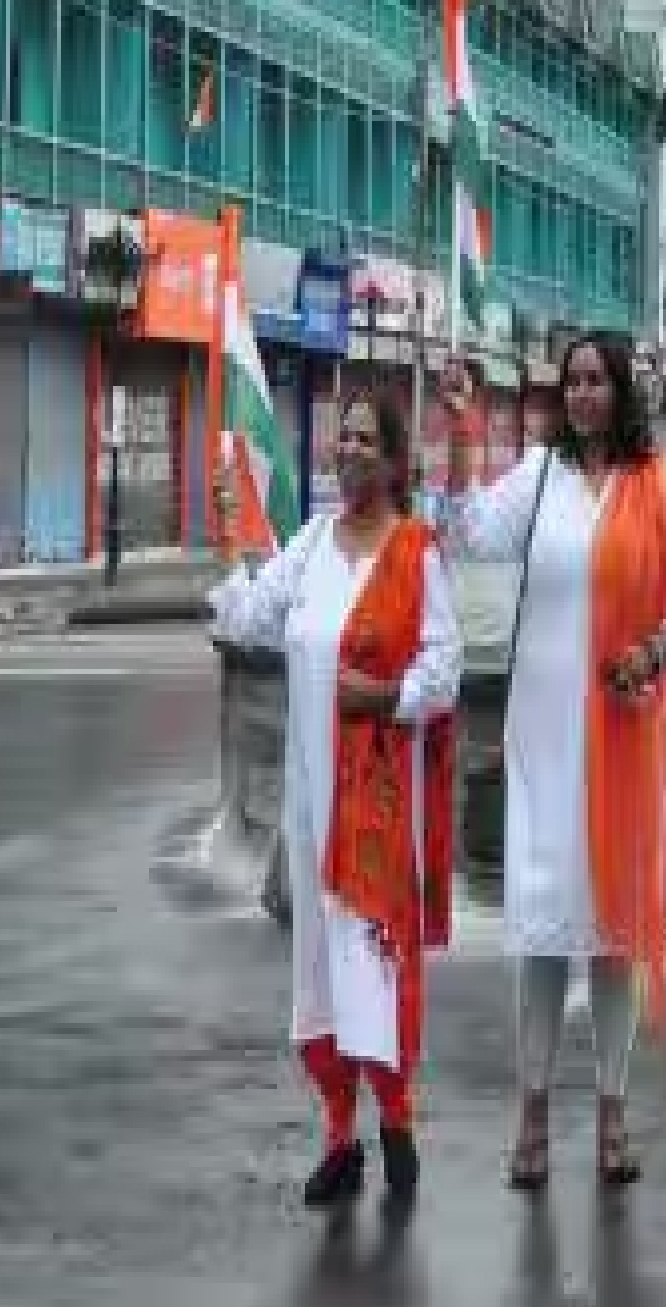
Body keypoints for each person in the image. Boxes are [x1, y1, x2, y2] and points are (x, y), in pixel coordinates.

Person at [438, 336, 666, 1192]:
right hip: (545, 744)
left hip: (625, 739)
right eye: (575, 382)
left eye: (599, 380)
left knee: (612, 940)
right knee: (544, 934)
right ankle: (530, 1118)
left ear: (622, 390)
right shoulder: (541, 478)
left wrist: (659, 648)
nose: (586, 394)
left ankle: (612, 1115)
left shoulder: (654, 484)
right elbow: (467, 535)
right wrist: (459, 431)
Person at [211, 392, 463, 1208]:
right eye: (341, 437)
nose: (348, 449)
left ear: (393, 462)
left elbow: (445, 669)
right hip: (314, 801)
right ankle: (338, 1135)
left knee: (376, 965)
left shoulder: (416, 551)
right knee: (319, 965)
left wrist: (387, 698)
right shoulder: (313, 544)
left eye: (365, 438)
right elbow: (250, 621)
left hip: (383, 808)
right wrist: (231, 537)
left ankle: (397, 1119)